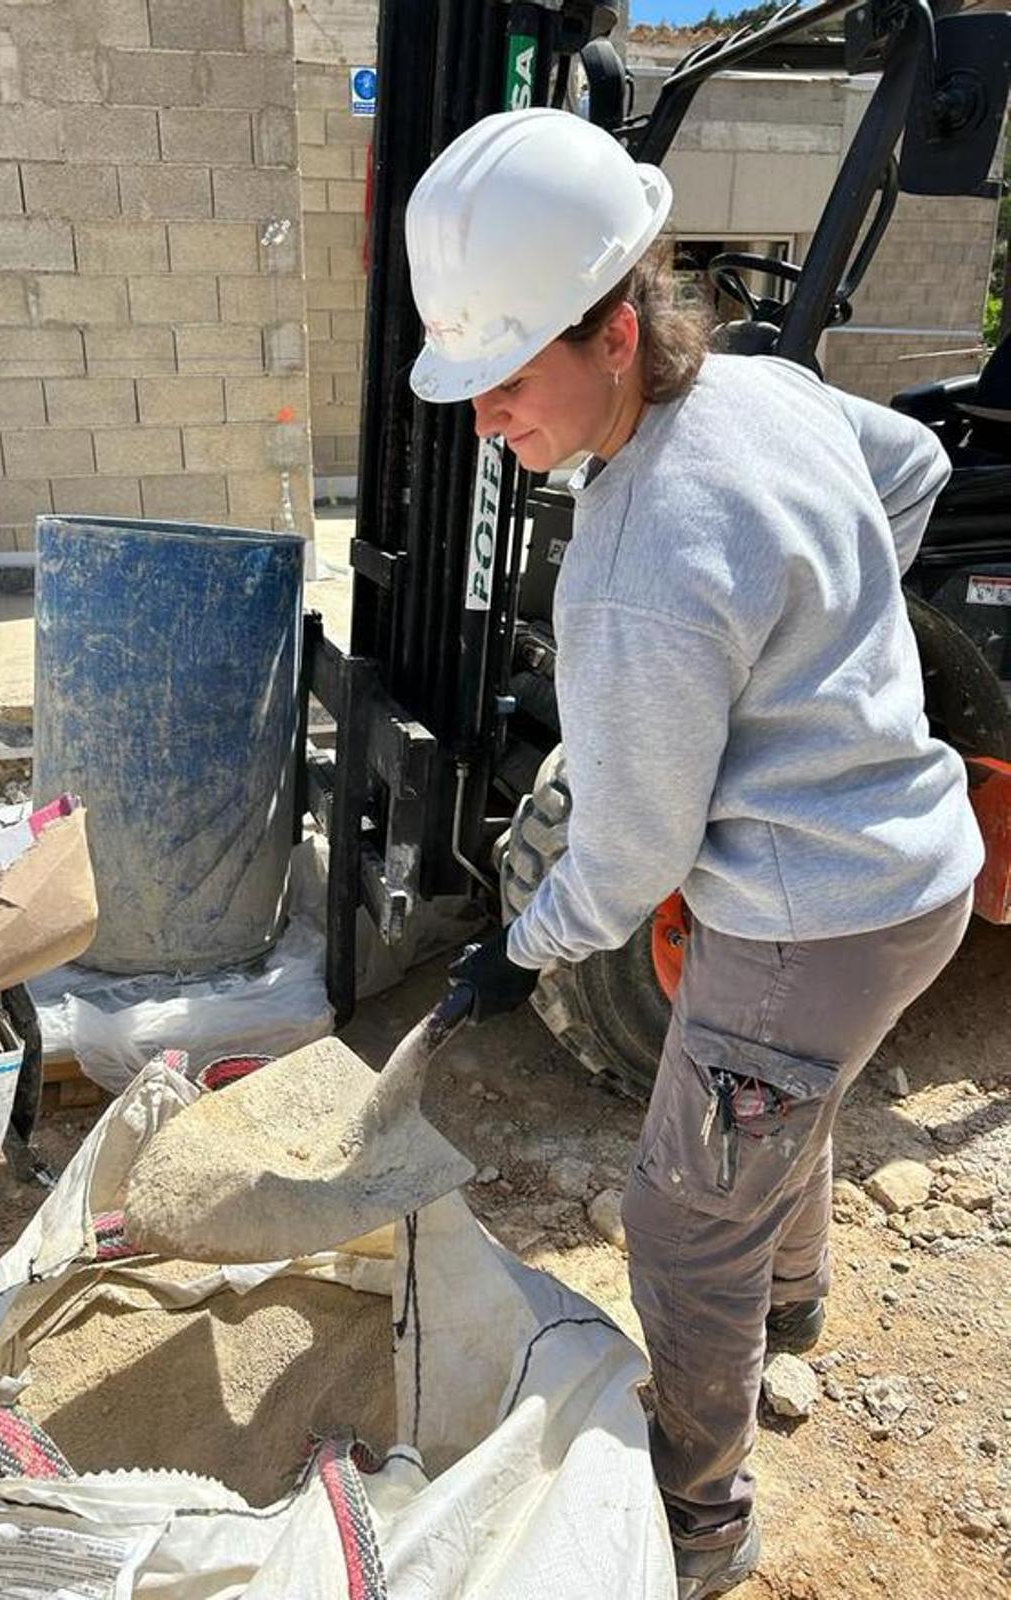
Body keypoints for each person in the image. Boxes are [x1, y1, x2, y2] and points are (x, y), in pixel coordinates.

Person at [405, 108, 982, 1600]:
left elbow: (635, 849)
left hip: (813, 924)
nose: (485, 423)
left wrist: (523, 943)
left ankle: (700, 1518)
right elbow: (910, 468)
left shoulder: (634, 559)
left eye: (508, 379)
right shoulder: (770, 390)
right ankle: (794, 1309)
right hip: (918, 871)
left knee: (683, 1209)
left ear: (613, 328)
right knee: (790, 1094)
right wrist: (836, 637)